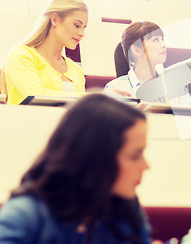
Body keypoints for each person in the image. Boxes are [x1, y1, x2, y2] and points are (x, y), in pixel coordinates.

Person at [0, 94, 162, 243]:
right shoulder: (26, 214)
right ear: (96, 158)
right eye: (135, 156)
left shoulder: (126, 208)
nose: (146, 166)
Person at [1, 0, 88, 105]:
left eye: (84, 28)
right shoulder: (20, 55)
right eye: (77, 25)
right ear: (55, 20)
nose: (82, 34)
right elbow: (35, 95)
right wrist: (91, 97)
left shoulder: (76, 69)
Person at [104, 21, 191, 105]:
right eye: (156, 39)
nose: (163, 45)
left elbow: (190, 119)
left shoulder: (177, 87)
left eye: (162, 39)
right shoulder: (116, 88)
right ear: (137, 50)